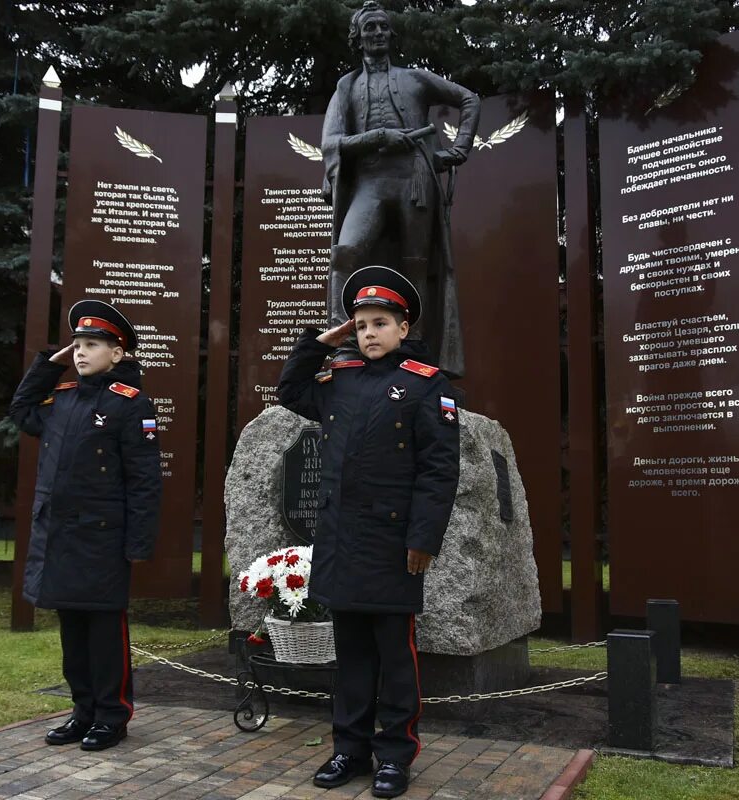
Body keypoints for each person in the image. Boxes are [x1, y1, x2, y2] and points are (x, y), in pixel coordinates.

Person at [278, 266, 461, 798]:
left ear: (404, 328)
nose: (369, 333)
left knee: (395, 657)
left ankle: (395, 754)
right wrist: (320, 342)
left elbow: (439, 470)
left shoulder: (428, 386)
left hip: (392, 545)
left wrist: (424, 539)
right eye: (360, 325)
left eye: (380, 322)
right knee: (351, 654)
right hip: (340, 541)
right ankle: (349, 750)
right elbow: (290, 388)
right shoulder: (340, 379)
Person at [8, 299, 162, 752]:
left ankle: (112, 715)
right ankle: (83, 712)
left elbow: (145, 481)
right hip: (60, 538)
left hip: (102, 540)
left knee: (103, 633)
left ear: (117, 353)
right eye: (76, 344)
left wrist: (137, 543)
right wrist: (48, 363)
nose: (80, 352)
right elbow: (20, 409)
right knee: (72, 633)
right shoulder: (64, 399)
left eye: (91, 345)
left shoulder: (131, 405)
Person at [322, 0, 480, 378]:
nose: (376, 33)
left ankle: (415, 347)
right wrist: (378, 136)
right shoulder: (347, 86)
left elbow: (469, 99)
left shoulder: (417, 79)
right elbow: (333, 141)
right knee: (346, 252)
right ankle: (344, 340)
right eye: (369, 28)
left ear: (390, 34)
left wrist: (457, 151)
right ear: (357, 37)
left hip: (415, 180)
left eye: (382, 27)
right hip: (370, 182)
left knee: (416, 266)